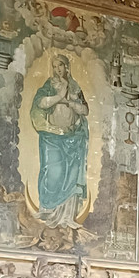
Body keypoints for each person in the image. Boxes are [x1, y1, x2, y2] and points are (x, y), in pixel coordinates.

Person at [30, 54, 89, 228]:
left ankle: (67, 217)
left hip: (72, 138)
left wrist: (68, 101)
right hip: (52, 137)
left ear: (67, 67)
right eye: (54, 66)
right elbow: (40, 103)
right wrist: (58, 98)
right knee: (53, 171)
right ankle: (48, 209)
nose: (57, 70)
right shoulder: (49, 86)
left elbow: (84, 109)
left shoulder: (75, 87)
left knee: (70, 175)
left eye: (60, 66)